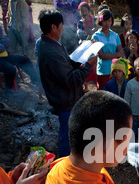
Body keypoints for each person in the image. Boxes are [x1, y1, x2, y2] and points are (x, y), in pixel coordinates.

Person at [38, 9, 97, 158]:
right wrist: (88, 65)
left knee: (70, 132)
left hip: (66, 98)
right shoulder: (50, 52)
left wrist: (83, 51)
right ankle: (64, 165)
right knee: (67, 135)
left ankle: (70, 159)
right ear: (53, 27)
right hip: (65, 100)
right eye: (61, 26)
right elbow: (70, 80)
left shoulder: (51, 44)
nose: (62, 29)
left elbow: (66, 66)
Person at [0, 20, 39, 90]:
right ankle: (9, 89)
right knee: (11, 69)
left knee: (25, 60)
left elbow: (7, 40)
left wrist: (1, 45)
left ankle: (35, 80)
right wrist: (3, 46)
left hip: (5, 56)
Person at [92, 9, 123, 90]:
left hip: (115, 71)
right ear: (100, 21)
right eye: (105, 21)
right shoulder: (96, 36)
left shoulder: (115, 36)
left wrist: (112, 55)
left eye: (109, 21)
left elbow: (121, 52)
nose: (107, 23)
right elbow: (101, 55)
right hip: (103, 71)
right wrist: (116, 55)